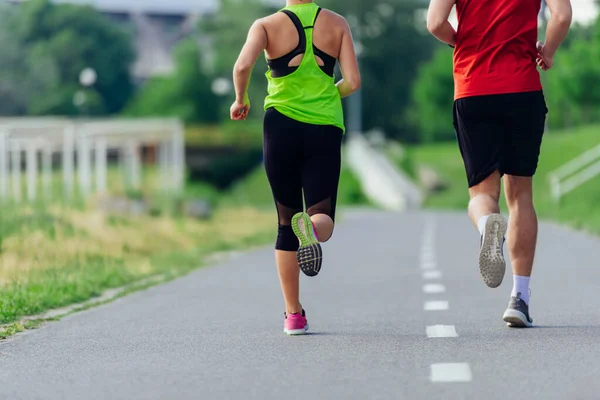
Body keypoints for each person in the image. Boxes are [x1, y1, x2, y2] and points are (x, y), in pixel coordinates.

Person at [426, 0, 572, 327]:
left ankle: (487, 226)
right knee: (520, 195)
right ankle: (519, 298)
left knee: (482, 194)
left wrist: (462, 40)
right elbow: (562, 15)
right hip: (522, 89)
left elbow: (435, 22)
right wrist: (547, 52)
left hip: (473, 88)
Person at [230, 0, 361, 335]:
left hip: (280, 126)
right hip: (325, 128)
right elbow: (353, 82)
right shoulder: (337, 24)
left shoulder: (265, 25)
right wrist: (329, 93)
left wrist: (241, 99)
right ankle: (312, 231)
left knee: (285, 222)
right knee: (324, 216)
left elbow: (242, 66)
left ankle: (294, 315)